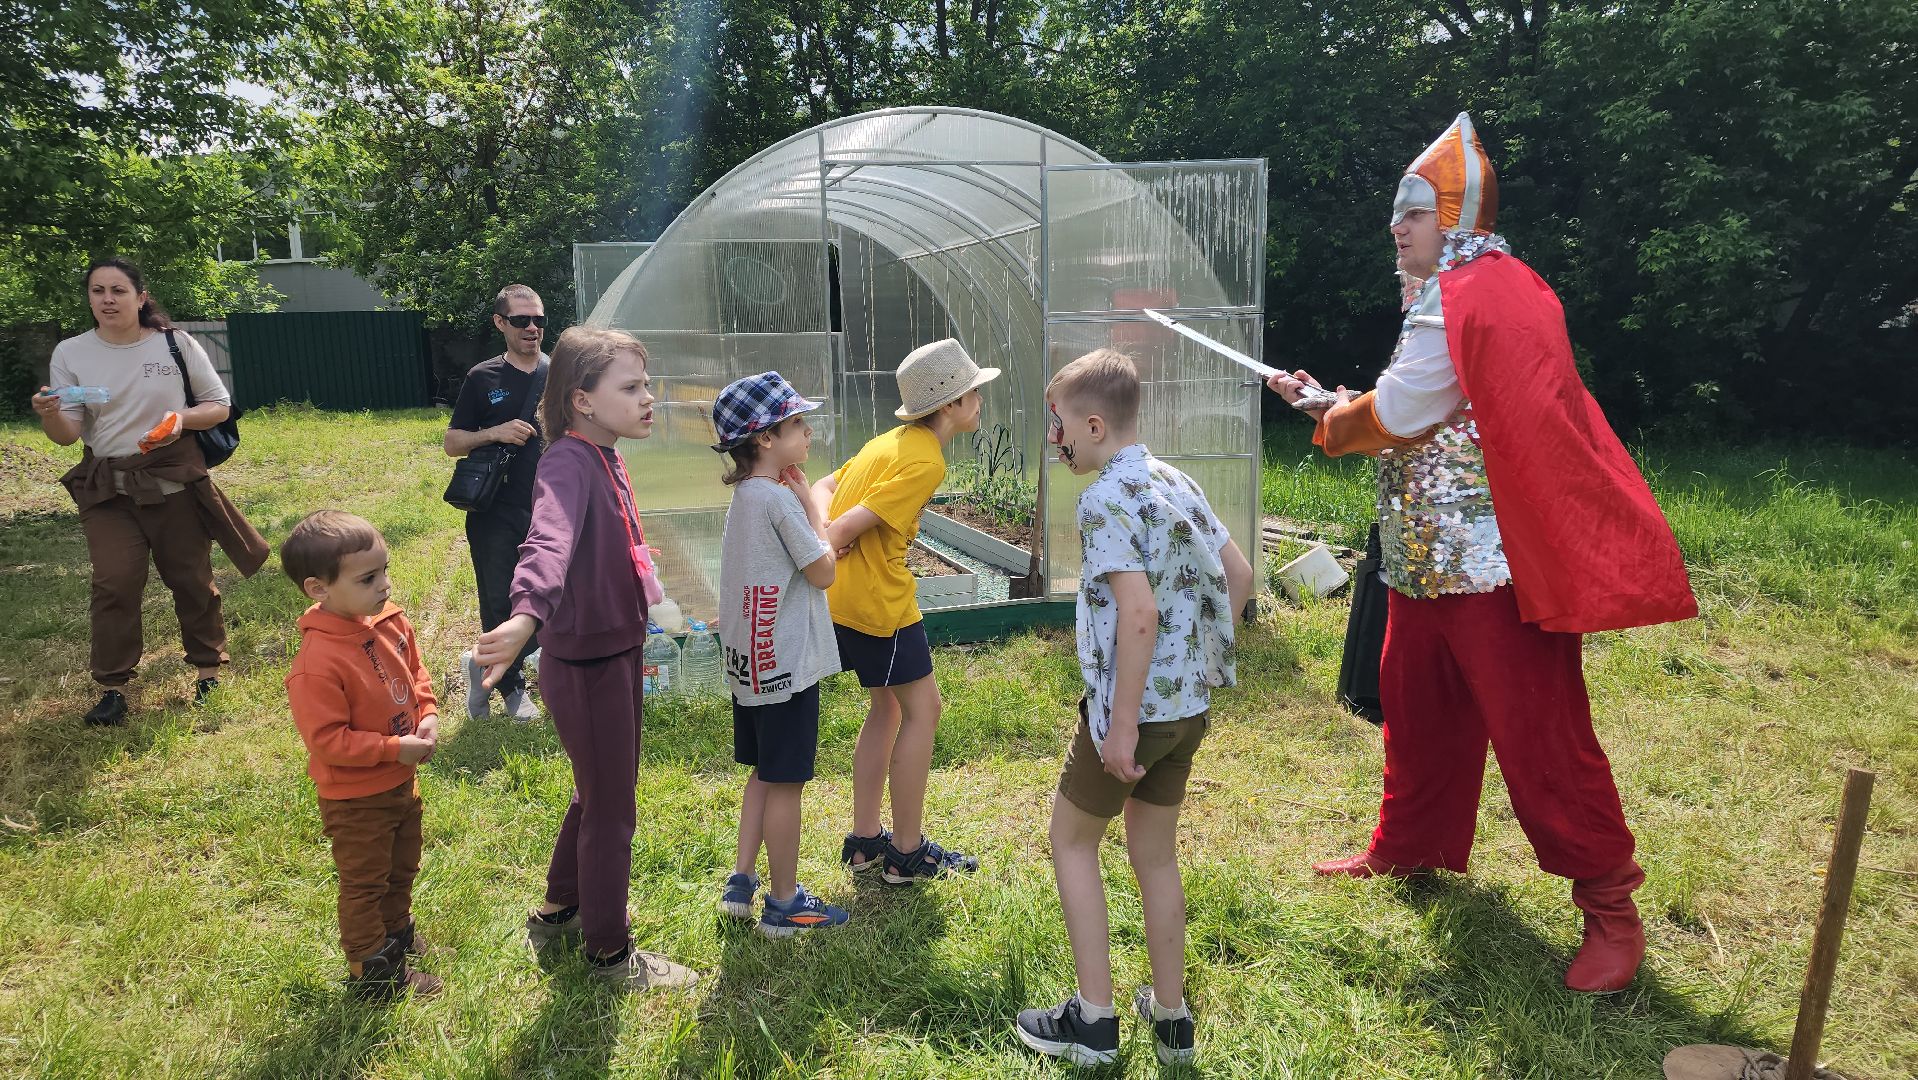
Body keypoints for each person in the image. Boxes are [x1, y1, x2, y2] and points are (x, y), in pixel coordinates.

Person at [1265, 113, 1698, 993]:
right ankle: (1410, 847)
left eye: (1414, 213)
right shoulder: (1466, 290)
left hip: (1495, 572)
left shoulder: (1473, 292)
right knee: (1419, 713)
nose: (1397, 227)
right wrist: (1336, 400)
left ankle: (1611, 907)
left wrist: (1330, 414)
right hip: (1428, 561)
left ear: (1457, 218)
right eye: (1398, 213)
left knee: (1543, 740)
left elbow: (1394, 416)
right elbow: (1429, 405)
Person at [1013, 349, 1254, 1067]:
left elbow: (1138, 613)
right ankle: (1173, 1021)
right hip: (1187, 710)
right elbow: (1237, 574)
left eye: (1057, 426)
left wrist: (1121, 725)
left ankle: (1092, 1023)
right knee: (1154, 854)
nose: (1054, 440)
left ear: (1092, 425)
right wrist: (1199, 672)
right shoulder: (1175, 479)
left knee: (1072, 840)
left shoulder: (1103, 500)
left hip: (1135, 714)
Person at [472, 326, 698, 992]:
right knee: (611, 809)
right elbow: (549, 541)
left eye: (647, 384)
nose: (649, 398)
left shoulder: (607, 454)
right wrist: (524, 617)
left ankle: (561, 906)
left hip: (615, 651)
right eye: (631, 388)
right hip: (587, 664)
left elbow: (621, 543)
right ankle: (608, 952)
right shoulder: (569, 463)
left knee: (596, 791)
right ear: (582, 401)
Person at [30, 257, 268, 727]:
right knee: (114, 582)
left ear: (140, 298)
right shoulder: (71, 353)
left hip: (172, 482)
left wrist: (180, 419)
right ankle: (113, 686)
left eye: (118, 290)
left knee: (190, 578)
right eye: (97, 291)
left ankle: (207, 670)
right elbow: (67, 434)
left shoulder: (175, 344)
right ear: (90, 299)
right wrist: (49, 412)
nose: (107, 299)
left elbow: (218, 407)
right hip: (109, 490)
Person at [812, 338, 996, 884]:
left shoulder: (888, 441)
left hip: (841, 599)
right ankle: (907, 854)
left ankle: (866, 839)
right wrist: (831, 537)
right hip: (882, 606)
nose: (979, 401)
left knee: (886, 711)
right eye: (972, 393)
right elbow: (844, 528)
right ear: (949, 405)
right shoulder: (926, 462)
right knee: (924, 711)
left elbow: (824, 487)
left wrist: (824, 538)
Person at [709, 372, 851, 938]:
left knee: (763, 775)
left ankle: (741, 882)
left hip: (752, 663)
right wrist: (813, 511)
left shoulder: (745, 496)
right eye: (797, 424)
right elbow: (824, 571)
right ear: (764, 438)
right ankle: (785, 902)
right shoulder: (778, 500)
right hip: (787, 666)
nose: (808, 431)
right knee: (786, 781)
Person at [281, 510, 442, 999]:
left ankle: (397, 934)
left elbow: (416, 676)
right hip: (356, 798)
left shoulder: (390, 624)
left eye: (385, 571)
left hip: (399, 780)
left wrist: (429, 714)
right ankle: (371, 970)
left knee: (402, 863)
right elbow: (328, 741)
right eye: (368, 578)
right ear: (318, 588)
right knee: (364, 881)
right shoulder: (317, 663)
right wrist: (396, 748)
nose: (385, 586)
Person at [447, 284, 550, 722]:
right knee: (500, 599)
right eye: (521, 320)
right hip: (495, 510)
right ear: (500, 323)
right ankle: (509, 688)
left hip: (549, 507)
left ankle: (484, 664)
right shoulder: (482, 378)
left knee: (550, 597)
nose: (532, 328)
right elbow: (453, 442)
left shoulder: (557, 372)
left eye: (539, 320)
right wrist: (495, 432)